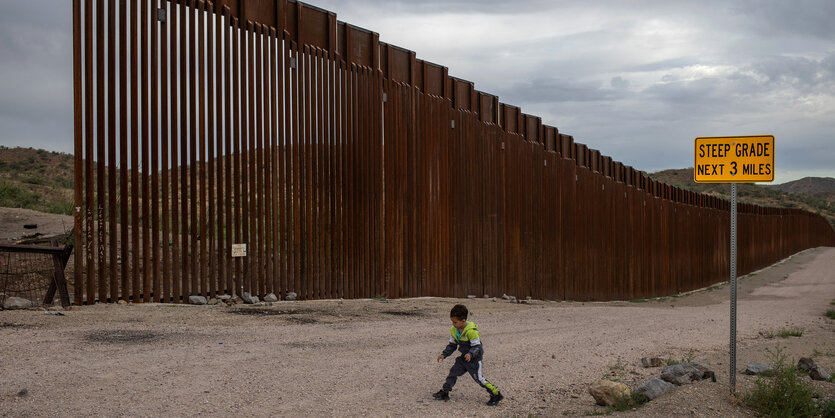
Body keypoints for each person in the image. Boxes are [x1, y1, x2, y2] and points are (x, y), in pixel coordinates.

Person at [433, 304, 504, 406]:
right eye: (452, 322)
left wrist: (471, 354)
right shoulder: (454, 330)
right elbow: (452, 345)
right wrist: (444, 354)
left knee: (479, 379)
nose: (453, 324)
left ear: (463, 321)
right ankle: (445, 391)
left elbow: (477, 347)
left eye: (455, 322)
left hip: (474, 359)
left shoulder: (472, 331)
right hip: (463, 358)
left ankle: (496, 393)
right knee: (453, 372)